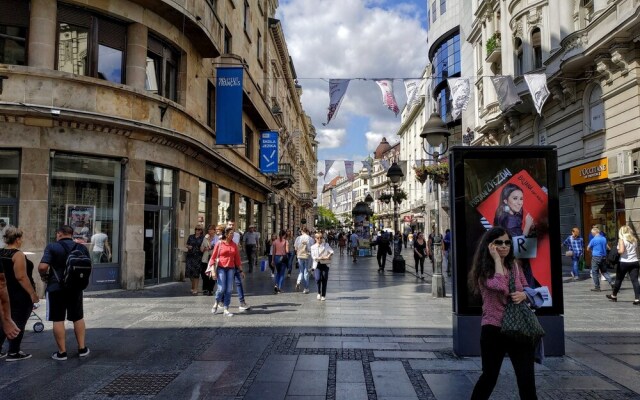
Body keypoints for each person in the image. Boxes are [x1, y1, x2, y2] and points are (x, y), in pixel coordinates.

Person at [468, 227, 538, 400]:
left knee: (526, 379)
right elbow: (500, 286)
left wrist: (524, 295)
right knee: (489, 377)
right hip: (494, 328)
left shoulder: (514, 265)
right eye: (499, 242)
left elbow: (527, 287)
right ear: (490, 246)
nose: (505, 246)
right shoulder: (484, 270)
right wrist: (497, 260)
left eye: (507, 242)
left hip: (519, 328)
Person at [38, 225, 91, 360]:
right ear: (71, 234)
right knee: (78, 317)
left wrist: (43, 275)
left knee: (58, 318)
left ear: (59, 234)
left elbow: (43, 266)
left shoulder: (52, 247)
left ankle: (62, 352)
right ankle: (82, 348)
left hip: (56, 287)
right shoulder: (82, 248)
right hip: (75, 287)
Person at [0, 226, 39, 361]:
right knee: (19, 321)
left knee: (3, 320)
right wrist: (33, 294)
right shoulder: (17, 254)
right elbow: (21, 277)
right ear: (17, 239)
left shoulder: (1, 252)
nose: (21, 241)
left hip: (5, 293)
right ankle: (13, 352)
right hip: (19, 295)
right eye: (21, 238)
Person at [493, 183, 536, 286]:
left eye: (521, 199)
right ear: (505, 201)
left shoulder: (504, 216)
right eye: (515, 198)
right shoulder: (510, 220)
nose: (519, 202)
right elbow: (522, 251)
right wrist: (527, 226)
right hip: (517, 267)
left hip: (512, 266)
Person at [210, 227, 242, 317]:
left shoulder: (234, 245)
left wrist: (241, 270)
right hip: (221, 268)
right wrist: (213, 271)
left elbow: (237, 259)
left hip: (231, 268)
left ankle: (226, 308)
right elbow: (213, 258)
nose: (233, 235)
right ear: (226, 234)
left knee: (229, 290)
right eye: (231, 233)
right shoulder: (219, 244)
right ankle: (216, 302)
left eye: (233, 233)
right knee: (221, 289)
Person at [606, 225, 639, 305]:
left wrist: (615, 251)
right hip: (634, 261)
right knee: (635, 281)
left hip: (624, 262)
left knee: (619, 280)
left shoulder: (622, 240)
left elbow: (621, 251)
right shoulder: (634, 240)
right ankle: (637, 299)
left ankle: (614, 295)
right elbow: (636, 251)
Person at [587, 227, 614, 292]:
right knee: (604, 272)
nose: (592, 234)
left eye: (592, 233)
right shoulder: (604, 238)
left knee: (595, 272)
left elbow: (588, 248)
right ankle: (612, 283)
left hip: (596, 257)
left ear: (594, 233)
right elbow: (607, 247)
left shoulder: (593, 240)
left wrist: (592, 251)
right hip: (603, 257)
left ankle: (597, 287)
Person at [311, 232, 334, 301]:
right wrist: (320, 258)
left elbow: (332, 251)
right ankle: (318, 292)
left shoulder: (326, 245)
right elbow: (313, 257)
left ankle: (323, 295)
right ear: (315, 239)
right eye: (318, 238)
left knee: (324, 279)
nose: (319, 239)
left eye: (321, 237)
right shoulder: (313, 247)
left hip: (325, 264)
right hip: (317, 264)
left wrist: (328, 256)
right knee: (317, 279)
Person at [185, 225, 205, 295]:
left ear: (201, 231)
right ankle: (193, 286)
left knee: (196, 273)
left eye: (199, 229)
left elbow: (205, 246)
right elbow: (187, 244)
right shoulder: (191, 236)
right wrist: (188, 246)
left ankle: (196, 288)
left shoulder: (203, 238)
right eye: (196, 229)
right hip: (190, 256)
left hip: (198, 257)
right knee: (190, 273)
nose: (198, 231)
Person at [199, 225, 218, 296]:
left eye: (211, 229)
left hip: (213, 258)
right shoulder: (205, 238)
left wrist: (209, 242)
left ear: (214, 230)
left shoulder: (217, 238)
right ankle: (205, 289)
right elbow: (201, 248)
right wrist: (204, 249)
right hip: (205, 258)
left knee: (212, 274)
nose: (209, 231)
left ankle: (211, 289)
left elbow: (214, 247)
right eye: (208, 229)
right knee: (204, 274)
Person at [294, 227, 314, 293]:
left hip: (300, 256)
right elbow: (312, 248)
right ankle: (306, 288)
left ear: (301, 231)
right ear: (307, 231)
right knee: (306, 272)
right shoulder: (310, 238)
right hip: (307, 256)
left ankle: (298, 281)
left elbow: (295, 248)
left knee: (301, 271)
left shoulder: (298, 238)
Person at [271, 230, 289, 294]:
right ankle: (279, 288)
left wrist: (272, 260)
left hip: (276, 257)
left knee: (278, 272)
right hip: (283, 257)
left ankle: (276, 284)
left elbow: (273, 252)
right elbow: (287, 251)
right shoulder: (286, 241)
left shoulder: (275, 242)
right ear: (284, 235)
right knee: (282, 274)